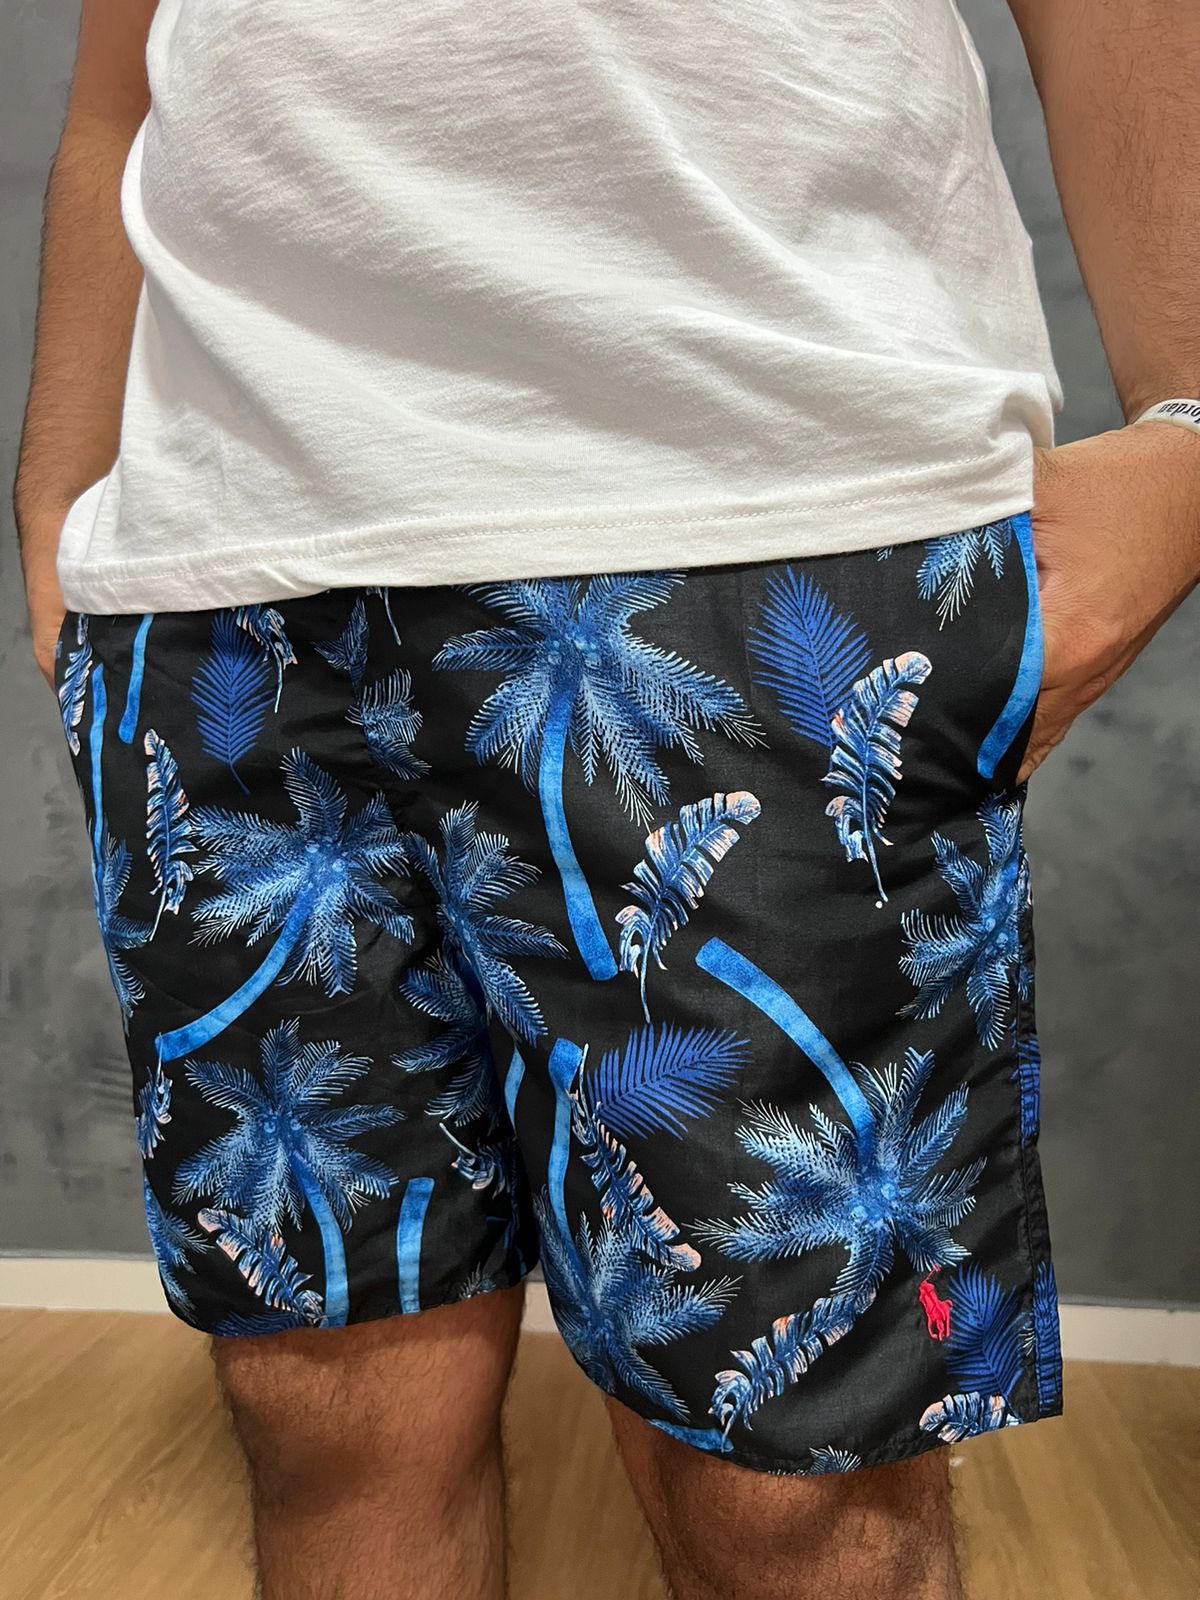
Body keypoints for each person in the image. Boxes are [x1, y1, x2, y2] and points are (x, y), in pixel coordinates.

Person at [14, 3, 1199, 1597]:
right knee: (325, 1403)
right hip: (222, 568)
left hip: (756, 517)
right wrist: (62, 482)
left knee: (794, 1492)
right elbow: (121, 71)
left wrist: (1191, 424)